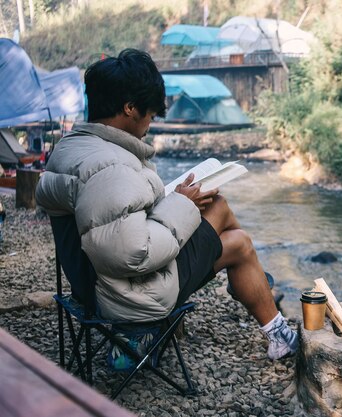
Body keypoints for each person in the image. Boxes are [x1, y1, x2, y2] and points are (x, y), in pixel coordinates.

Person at [35, 49, 298, 361]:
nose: (151, 121)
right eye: (151, 113)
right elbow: (133, 255)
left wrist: (176, 201)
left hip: (91, 283)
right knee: (238, 243)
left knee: (220, 211)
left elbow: (113, 223)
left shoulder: (75, 148)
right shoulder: (113, 168)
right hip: (131, 297)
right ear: (130, 108)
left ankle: (254, 291)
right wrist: (181, 206)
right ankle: (266, 311)